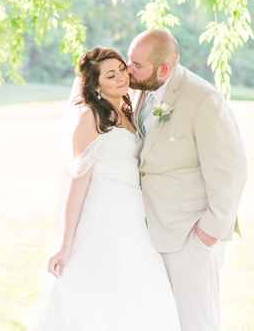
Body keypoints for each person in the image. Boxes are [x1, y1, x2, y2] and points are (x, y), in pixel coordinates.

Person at [29, 46, 181, 331]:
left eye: (122, 69)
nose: (122, 77)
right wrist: (64, 246)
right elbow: (78, 184)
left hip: (134, 212)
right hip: (105, 211)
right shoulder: (91, 119)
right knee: (99, 286)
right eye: (111, 75)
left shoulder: (128, 111)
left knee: (140, 284)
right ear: (96, 85)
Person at [127, 29, 248, 331]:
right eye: (130, 60)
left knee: (197, 322)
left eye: (137, 65)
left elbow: (231, 169)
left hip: (190, 235)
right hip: (153, 231)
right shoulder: (142, 89)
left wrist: (208, 232)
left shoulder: (203, 99)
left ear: (163, 69)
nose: (129, 69)